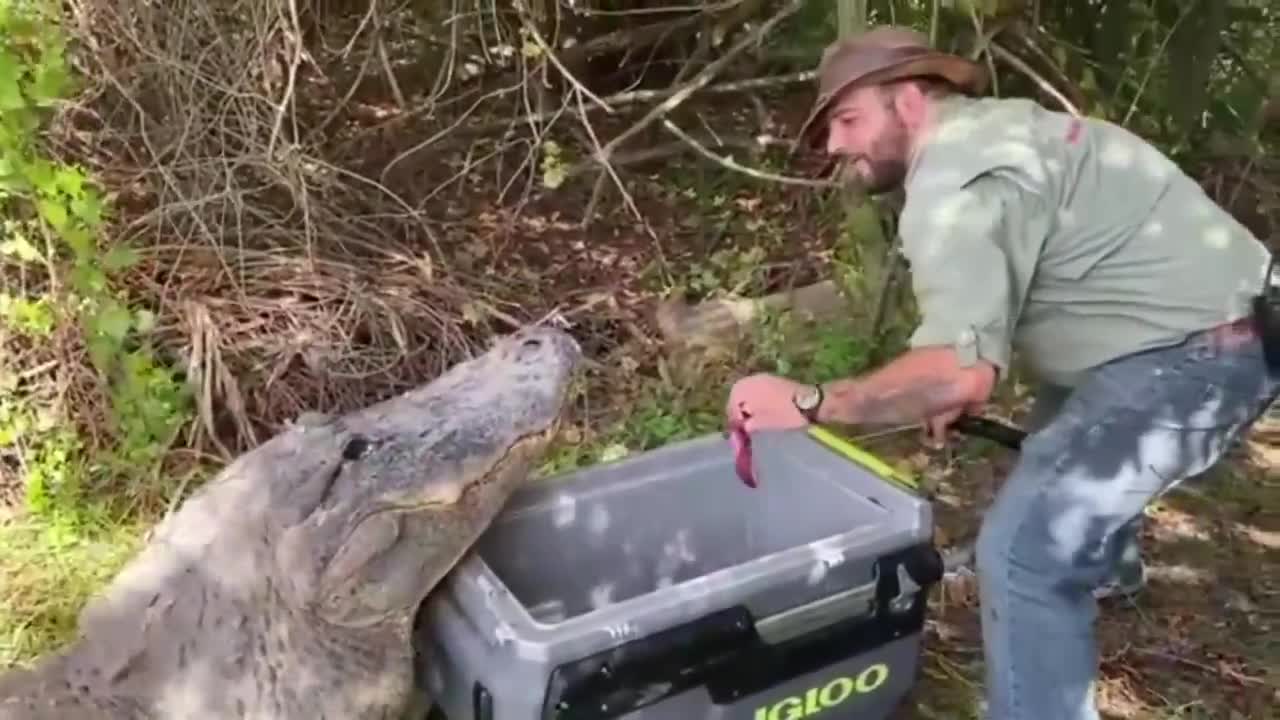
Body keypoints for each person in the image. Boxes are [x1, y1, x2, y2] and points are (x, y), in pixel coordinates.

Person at [723, 25, 1280, 720]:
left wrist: (811, 402)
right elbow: (1038, 281)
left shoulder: (956, 183)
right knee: (1064, 436)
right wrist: (942, 376)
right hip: (1217, 316)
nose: (834, 145)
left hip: (1197, 355)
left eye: (847, 119)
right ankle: (1108, 567)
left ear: (911, 103)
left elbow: (960, 371)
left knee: (1023, 559)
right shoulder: (1006, 127)